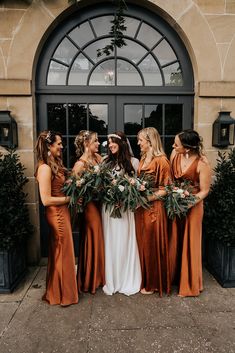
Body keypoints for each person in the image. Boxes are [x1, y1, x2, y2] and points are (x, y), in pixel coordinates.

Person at [35, 130, 78, 306]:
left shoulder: (55, 165)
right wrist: (70, 199)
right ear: (49, 145)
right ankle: (62, 295)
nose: (61, 146)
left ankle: (60, 291)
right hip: (57, 215)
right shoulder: (44, 168)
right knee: (62, 252)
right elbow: (46, 200)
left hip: (63, 213)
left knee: (62, 251)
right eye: (58, 143)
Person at [169, 129, 212, 297]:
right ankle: (176, 278)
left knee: (190, 242)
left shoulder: (202, 163)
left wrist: (187, 203)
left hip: (193, 206)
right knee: (176, 239)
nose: (173, 146)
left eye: (176, 144)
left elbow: (205, 191)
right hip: (176, 204)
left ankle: (190, 285)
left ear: (186, 147)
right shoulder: (175, 154)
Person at [102, 132, 141, 295]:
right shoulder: (105, 162)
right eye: (108, 142)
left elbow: (137, 187)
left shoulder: (134, 162)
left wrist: (125, 198)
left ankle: (126, 278)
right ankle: (112, 278)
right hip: (109, 208)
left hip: (125, 209)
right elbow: (101, 184)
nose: (110, 145)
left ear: (122, 143)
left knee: (124, 241)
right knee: (110, 241)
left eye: (113, 142)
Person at [135, 127, 171, 296]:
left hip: (154, 210)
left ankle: (154, 283)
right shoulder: (142, 159)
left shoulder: (161, 161)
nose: (138, 143)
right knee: (143, 244)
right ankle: (145, 279)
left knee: (152, 246)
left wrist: (144, 199)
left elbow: (165, 189)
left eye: (140, 140)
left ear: (149, 141)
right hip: (140, 209)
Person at [73, 130, 105, 294]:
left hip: (100, 204)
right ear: (86, 144)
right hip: (89, 206)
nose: (98, 143)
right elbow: (74, 190)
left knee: (99, 237)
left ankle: (99, 276)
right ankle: (90, 279)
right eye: (95, 141)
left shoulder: (98, 159)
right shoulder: (80, 164)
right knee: (94, 236)